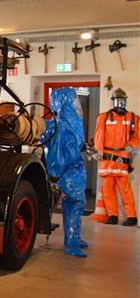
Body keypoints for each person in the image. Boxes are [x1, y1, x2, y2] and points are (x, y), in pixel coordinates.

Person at [41, 87, 88, 257]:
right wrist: (56, 173)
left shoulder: (72, 122)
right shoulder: (61, 126)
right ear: (65, 102)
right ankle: (72, 243)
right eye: (74, 101)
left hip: (75, 169)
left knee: (77, 204)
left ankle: (75, 237)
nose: (77, 104)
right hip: (69, 171)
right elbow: (57, 156)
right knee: (75, 204)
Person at [94, 88, 139, 226]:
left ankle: (131, 216)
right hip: (107, 158)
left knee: (125, 189)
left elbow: (137, 136)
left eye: (122, 101)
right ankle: (112, 215)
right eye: (118, 101)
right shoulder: (104, 117)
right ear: (113, 101)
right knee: (108, 189)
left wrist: (131, 145)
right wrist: (99, 151)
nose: (120, 104)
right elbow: (99, 135)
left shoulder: (132, 117)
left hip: (122, 157)